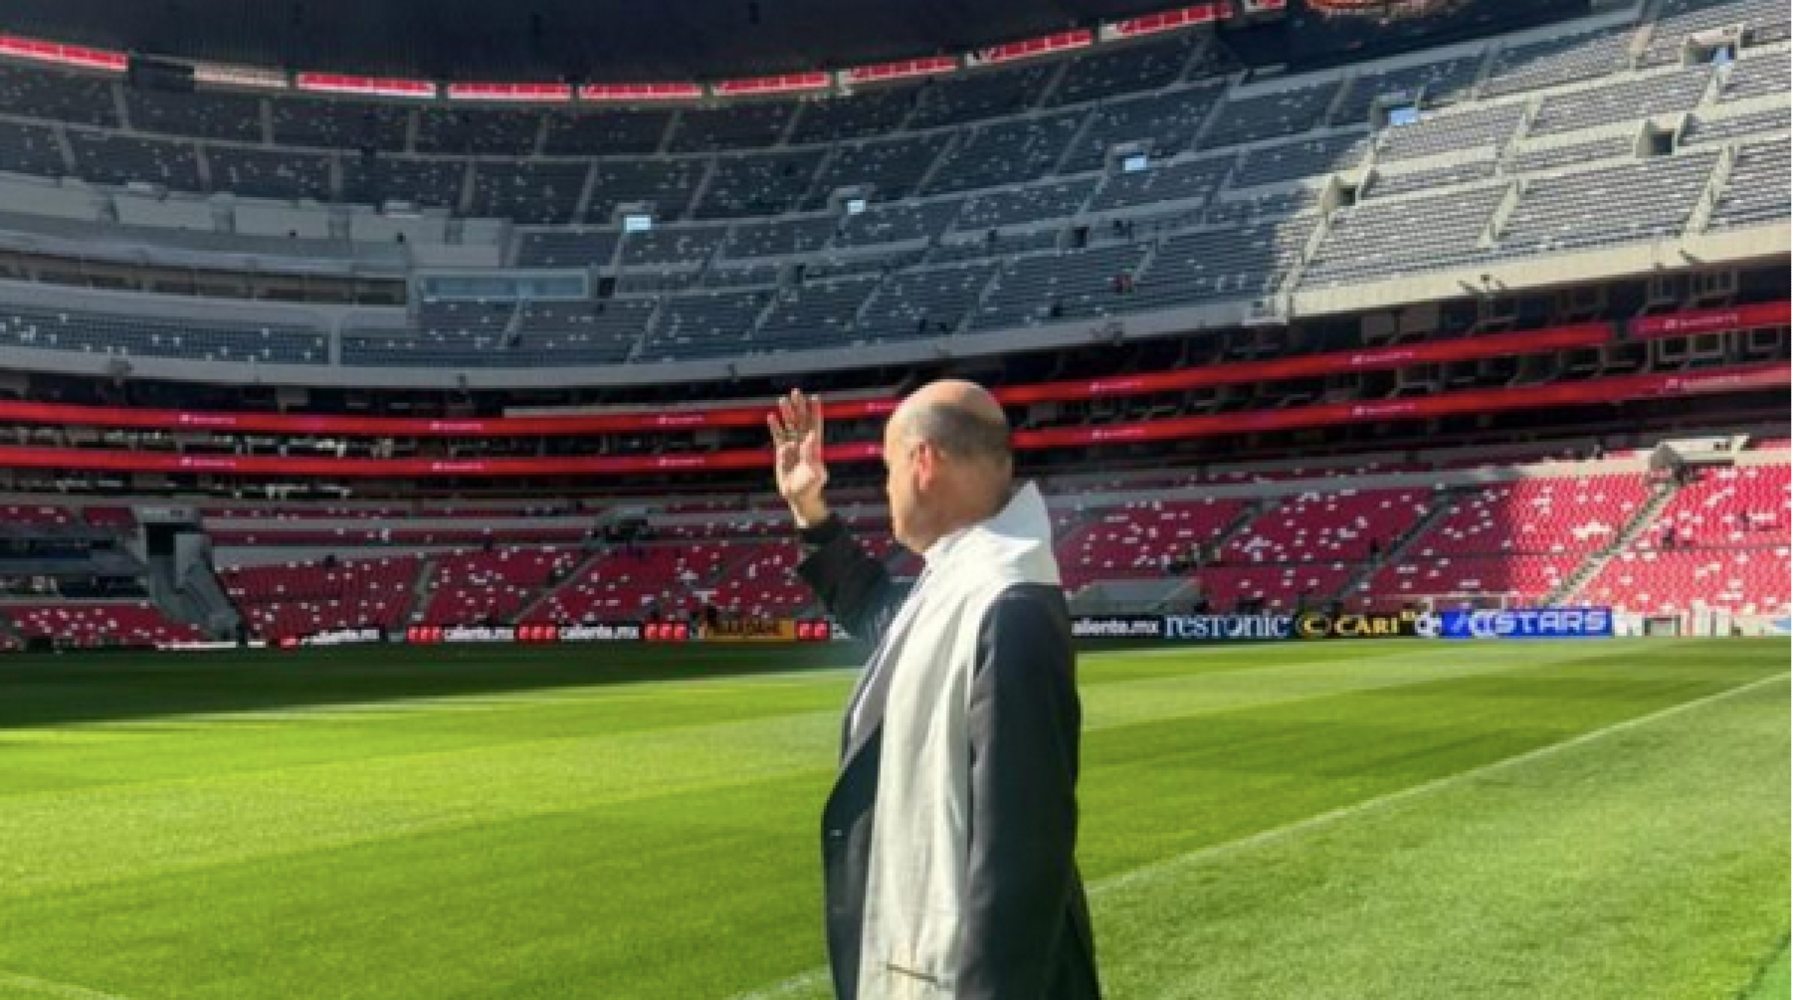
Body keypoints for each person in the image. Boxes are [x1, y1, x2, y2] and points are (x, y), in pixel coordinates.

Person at [768, 382, 1100, 999]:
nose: (884, 487)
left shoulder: (1007, 601)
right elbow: (880, 613)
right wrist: (809, 510)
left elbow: (1021, 858)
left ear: (923, 462)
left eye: (887, 468)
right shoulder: (967, 576)